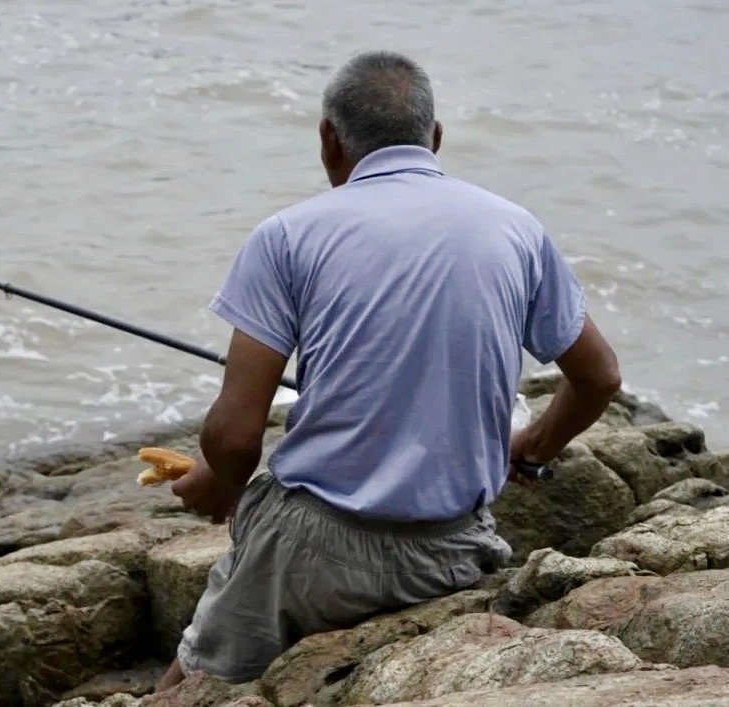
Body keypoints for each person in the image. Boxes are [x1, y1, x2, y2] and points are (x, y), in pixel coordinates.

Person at [155, 51, 622, 690]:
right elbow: (599, 379)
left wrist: (217, 485)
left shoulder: (288, 235)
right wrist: (532, 448)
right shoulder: (517, 229)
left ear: (328, 139)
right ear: (434, 138)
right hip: (452, 550)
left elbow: (236, 438)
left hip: (310, 550)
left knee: (191, 685)